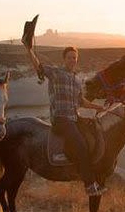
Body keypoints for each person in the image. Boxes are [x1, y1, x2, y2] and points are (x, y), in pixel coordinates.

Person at [23, 40, 106, 196]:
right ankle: (89, 185)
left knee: (93, 131)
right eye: (69, 57)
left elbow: (81, 101)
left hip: (75, 117)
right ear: (64, 59)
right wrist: (29, 50)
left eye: (75, 58)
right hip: (61, 119)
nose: (72, 60)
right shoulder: (56, 73)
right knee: (81, 144)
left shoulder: (77, 80)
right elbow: (38, 67)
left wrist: (99, 107)